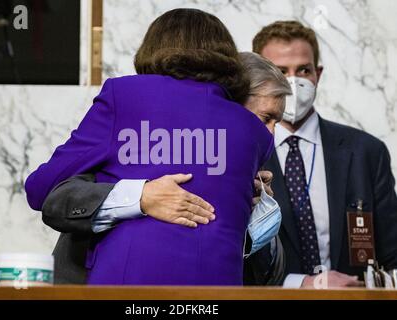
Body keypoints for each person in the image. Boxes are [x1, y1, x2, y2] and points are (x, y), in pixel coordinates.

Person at [25, 9, 275, 285]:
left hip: (127, 286)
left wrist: (132, 194)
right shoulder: (252, 130)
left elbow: (41, 188)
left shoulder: (124, 96)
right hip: (216, 292)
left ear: (153, 49)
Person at [250, 20, 397, 288]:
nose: (292, 81)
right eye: (280, 71)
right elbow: (240, 259)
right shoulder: (244, 154)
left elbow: (391, 254)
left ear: (318, 74)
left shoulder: (366, 152)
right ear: (259, 78)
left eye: (303, 70)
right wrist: (304, 284)